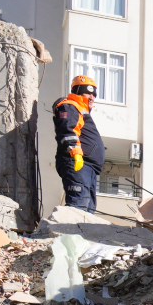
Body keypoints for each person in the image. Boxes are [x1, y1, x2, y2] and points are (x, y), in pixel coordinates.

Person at [53, 74, 103, 210]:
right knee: (78, 205)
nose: (92, 97)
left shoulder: (81, 110)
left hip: (88, 167)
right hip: (78, 163)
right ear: (78, 91)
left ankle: (79, 231)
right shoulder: (70, 106)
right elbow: (68, 130)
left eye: (94, 94)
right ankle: (69, 231)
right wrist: (76, 153)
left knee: (88, 208)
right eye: (88, 93)